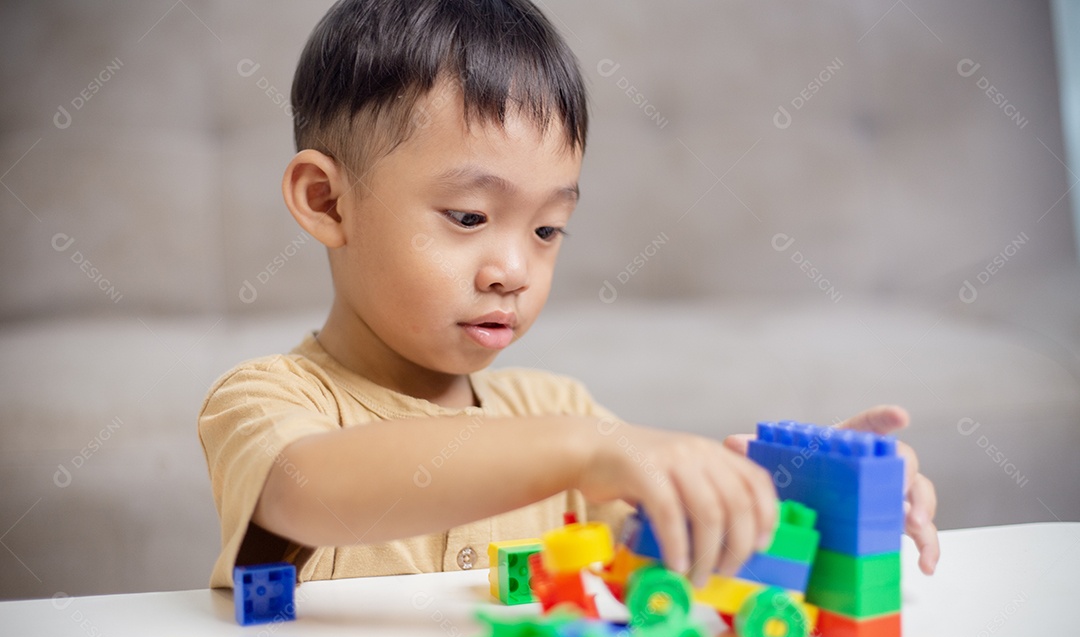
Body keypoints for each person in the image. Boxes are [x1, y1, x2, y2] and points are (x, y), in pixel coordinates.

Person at [199, 0, 939, 590]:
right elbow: (305, 489)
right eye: (468, 218)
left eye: (549, 230)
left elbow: (682, 538)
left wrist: (828, 498)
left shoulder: (559, 411)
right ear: (327, 201)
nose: (514, 268)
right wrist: (584, 450)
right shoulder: (266, 400)